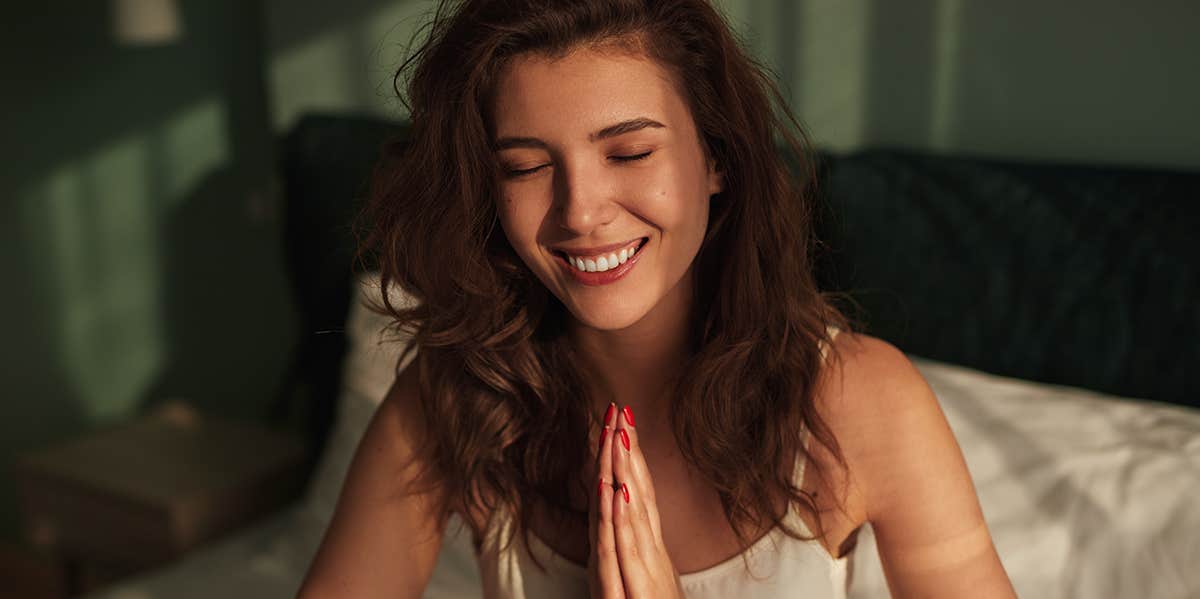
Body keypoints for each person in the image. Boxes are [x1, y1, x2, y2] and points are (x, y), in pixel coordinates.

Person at [298, 0, 1017, 597]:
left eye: (629, 153)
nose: (580, 212)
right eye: (524, 167)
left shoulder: (861, 403)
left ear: (717, 157)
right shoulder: (454, 397)